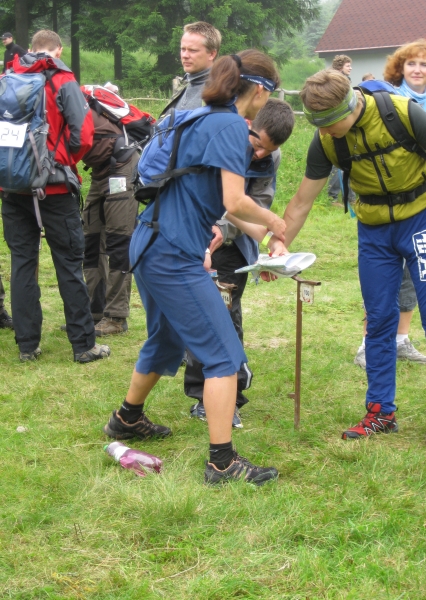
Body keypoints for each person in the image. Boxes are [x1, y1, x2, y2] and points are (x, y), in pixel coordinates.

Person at [103, 50, 288, 485]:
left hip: (149, 242)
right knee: (223, 355)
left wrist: (265, 236)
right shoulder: (230, 126)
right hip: (173, 254)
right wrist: (275, 221)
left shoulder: (202, 116)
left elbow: (220, 202)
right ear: (261, 90)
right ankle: (222, 462)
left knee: (166, 338)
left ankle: (126, 419)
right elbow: (234, 200)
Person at [276, 68, 426, 449]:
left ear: (349, 107)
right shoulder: (326, 140)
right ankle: (380, 411)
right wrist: (279, 246)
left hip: (422, 220)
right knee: (379, 319)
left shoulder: (402, 113)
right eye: (318, 125)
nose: (324, 132)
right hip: (374, 231)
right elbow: (302, 201)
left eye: (329, 123)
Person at [1, 30, 110, 363]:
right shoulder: (62, 80)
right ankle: (83, 345)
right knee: (69, 263)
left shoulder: (8, 78)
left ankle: (27, 345)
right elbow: (84, 134)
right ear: (58, 50)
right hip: (56, 188)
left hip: (13, 187)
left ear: (31, 48)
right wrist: (62, 163)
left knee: (22, 263)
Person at [186, 98, 295, 427]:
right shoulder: (220, 137)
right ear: (249, 125)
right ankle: (203, 395)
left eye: (269, 150)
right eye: (257, 145)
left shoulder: (271, 156)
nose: (260, 154)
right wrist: (209, 231)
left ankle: (229, 397)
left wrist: (266, 239)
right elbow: (200, 192)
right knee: (200, 317)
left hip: (234, 245)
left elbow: (257, 203)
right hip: (197, 235)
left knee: (226, 314)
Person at [354, 40, 426, 369]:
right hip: (386, 205)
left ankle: (401, 339)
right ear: (401, 68)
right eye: (412, 64)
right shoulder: (390, 98)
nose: (418, 70)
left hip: (424, 201)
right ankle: (368, 343)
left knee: (416, 275)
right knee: (383, 282)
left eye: (425, 65)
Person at [81, 87, 140, 337]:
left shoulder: (65, 103)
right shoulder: (52, 104)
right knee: (91, 240)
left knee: (118, 241)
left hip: (122, 165)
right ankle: (95, 311)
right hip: (101, 170)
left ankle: (116, 316)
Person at [161, 21, 221, 114]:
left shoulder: (220, 92)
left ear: (212, 54)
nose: (185, 55)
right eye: (183, 49)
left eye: (192, 50)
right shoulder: (184, 85)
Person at [328, 55, 355, 206]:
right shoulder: (335, 82)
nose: (350, 68)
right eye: (347, 65)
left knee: (350, 160)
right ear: (340, 67)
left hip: (347, 123)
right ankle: (332, 198)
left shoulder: (345, 81)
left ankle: (351, 197)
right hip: (337, 123)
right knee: (338, 161)